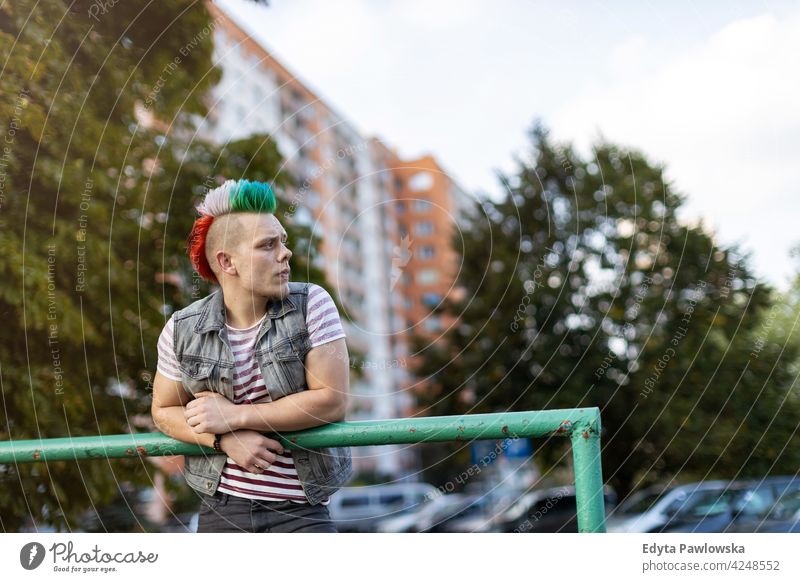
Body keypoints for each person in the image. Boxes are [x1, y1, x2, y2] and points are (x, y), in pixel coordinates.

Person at [151, 179, 352, 533]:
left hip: (302, 510)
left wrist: (234, 416)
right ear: (227, 261)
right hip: (222, 511)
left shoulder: (311, 305)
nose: (285, 253)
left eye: (283, 242)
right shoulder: (182, 328)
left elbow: (331, 401)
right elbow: (163, 411)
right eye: (267, 245)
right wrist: (222, 438)